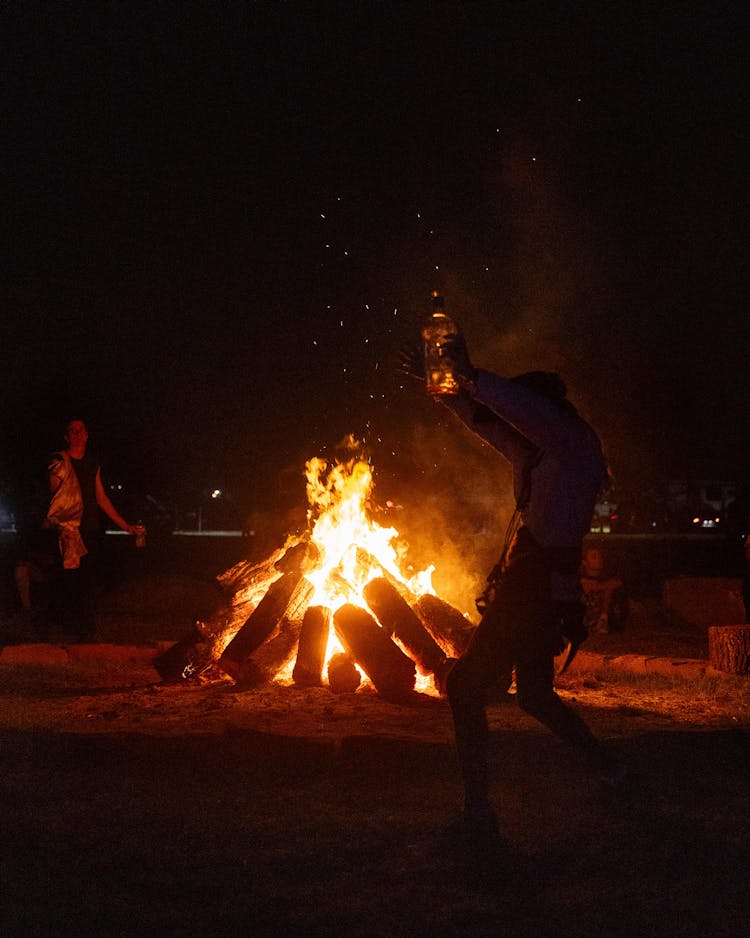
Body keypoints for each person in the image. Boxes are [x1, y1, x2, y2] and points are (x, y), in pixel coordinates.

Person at [400, 336, 625, 853]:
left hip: (536, 588)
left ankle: (480, 816)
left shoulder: (570, 443)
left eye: (529, 416)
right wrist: (446, 389)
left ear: (546, 411)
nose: (518, 427)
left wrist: (471, 374)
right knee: (535, 695)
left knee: (463, 686)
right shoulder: (545, 451)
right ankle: (612, 772)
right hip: (544, 588)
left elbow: (515, 409)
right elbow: (487, 423)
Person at [46, 418, 140, 639]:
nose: (77, 434)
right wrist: (57, 474)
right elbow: (55, 493)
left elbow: (101, 498)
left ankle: (84, 629)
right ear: (67, 436)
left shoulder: (92, 463)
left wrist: (125, 526)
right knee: (69, 579)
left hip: (90, 528)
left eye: (81, 430)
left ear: (87, 435)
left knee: (87, 580)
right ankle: (69, 626)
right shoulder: (60, 460)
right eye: (73, 431)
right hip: (70, 529)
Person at [580, 545, 628, 633]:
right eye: (594, 557)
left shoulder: (606, 578)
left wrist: (600, 586)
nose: (599, 560)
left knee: (611, 590)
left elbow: (616, 583)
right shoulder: (580, 578)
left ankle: (603, 621)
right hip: (584, 617)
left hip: (602, 616)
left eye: (600, 557)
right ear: (585, 562)